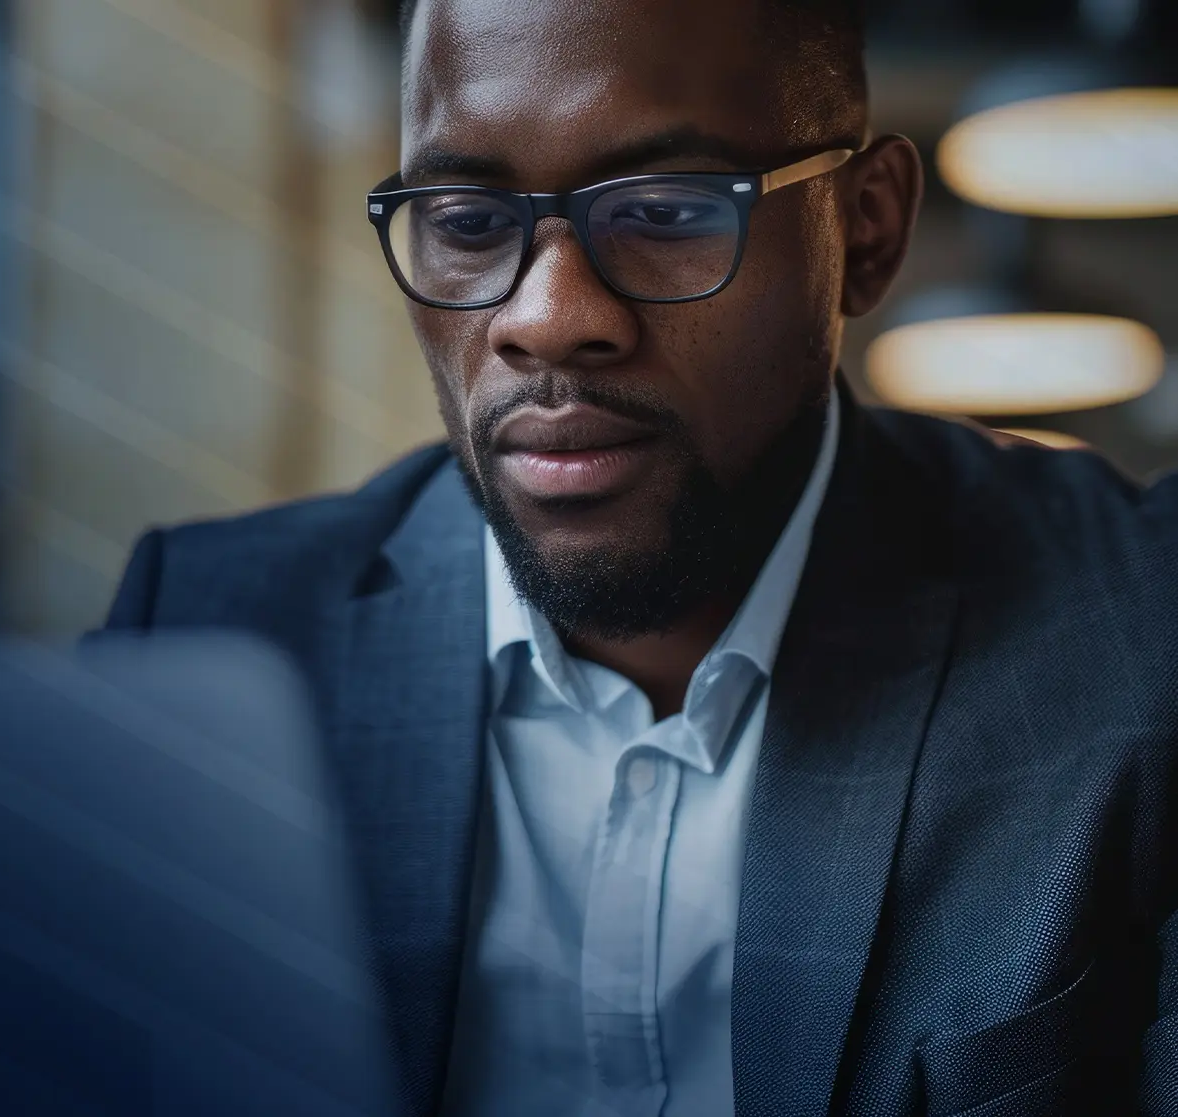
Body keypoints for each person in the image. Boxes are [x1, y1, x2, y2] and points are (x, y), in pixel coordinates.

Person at [96, 0, 1178, 1114]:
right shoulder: (205, 645)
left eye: (663, 211)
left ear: (864, 231)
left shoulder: (1141, 627)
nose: (548, 317)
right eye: (466, 221)